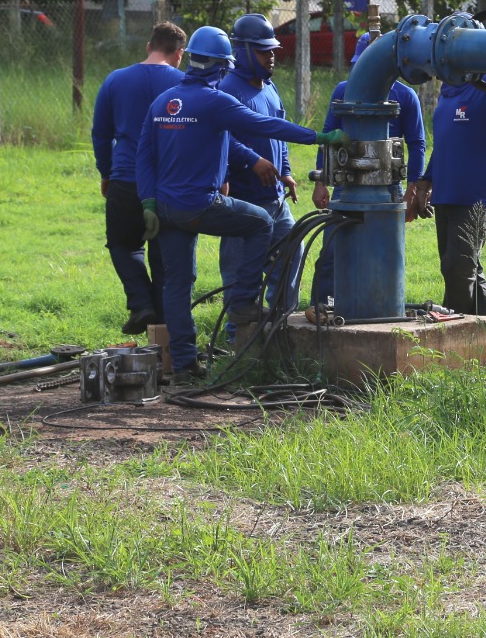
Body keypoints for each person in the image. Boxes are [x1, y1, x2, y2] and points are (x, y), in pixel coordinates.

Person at [137, 25, 345, 384]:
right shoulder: (215, 101)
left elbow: (145, 156)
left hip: (167, 211)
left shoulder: (163, 102)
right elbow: (266, 126)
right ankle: (244, 302)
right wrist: (320, 136)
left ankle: (185, 365)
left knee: (177, 283)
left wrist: (149, 204)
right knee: (261, 223)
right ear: (221, 66)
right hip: (202, 205)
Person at [304, 31, 427, 320]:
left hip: (388, 188)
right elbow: (328, 135)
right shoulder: (343, 91)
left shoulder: (405, 96)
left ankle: (380, 306)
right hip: (348, 183)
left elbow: (417, 143)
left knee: (384, 251)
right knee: (333, 251)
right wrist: (321, 181)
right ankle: (322, 306)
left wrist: (411, 191)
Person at [91, 21, 187, 335]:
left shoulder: (115, 80)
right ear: (179, 54)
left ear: (149, 46)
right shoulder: (184, 84)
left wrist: (106, 172)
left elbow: (101, 134)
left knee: (122, 244)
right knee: (163, 252)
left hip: (126, 178)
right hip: (169, 181)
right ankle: (163, 329)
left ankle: (141, 303)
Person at [218, 14, 302, 338]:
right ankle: (233, 341)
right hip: (244, 200)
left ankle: (279, 332)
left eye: (272, 51)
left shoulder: (270, 88)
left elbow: (279, 133)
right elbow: (223, 137)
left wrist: (286, 172)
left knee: (291, 254)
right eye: (264, 52)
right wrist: (253, 161)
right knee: (241, 275)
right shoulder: (227, 89)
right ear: (242, 51)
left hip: (277, 201)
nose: (271, 58)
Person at [419, 72, 486, 316]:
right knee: (463, 267)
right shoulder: (448, 90)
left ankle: (453, 335)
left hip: (478, 196)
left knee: (457, 266)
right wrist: (426, 180)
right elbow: (445, 143)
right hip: (446, 194)